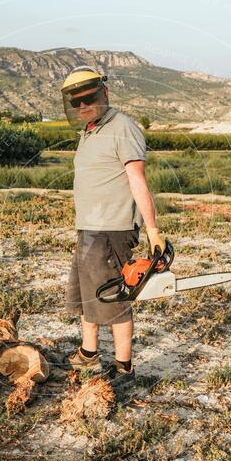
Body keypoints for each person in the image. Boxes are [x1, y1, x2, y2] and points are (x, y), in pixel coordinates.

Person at [61, 64, 166, 387]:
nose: (82, 106)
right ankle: (89, 353)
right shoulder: (90, 130)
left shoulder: (123, 127)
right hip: (90, 227)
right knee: (87, 294)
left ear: (105, 92)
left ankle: (124, 368)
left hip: (113, 228)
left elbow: (137, 180)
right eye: (76, 102)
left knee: (113, 296)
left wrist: (153, 230)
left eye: (88, 98)